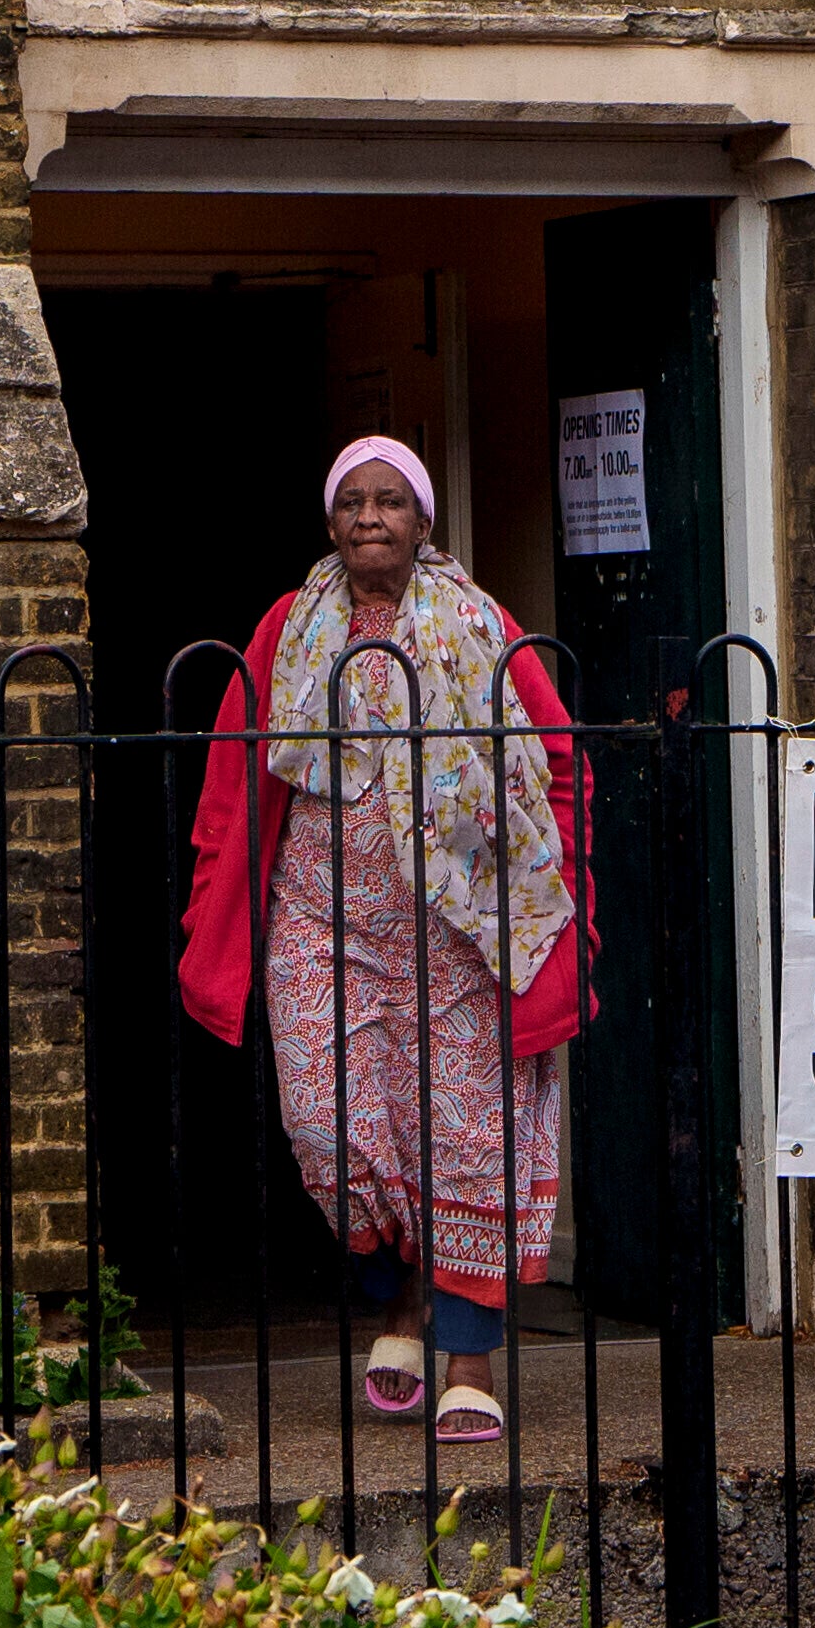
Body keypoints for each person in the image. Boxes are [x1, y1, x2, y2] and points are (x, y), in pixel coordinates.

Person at [175, 434, 595, 1448]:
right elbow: (233, 775)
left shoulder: (480, 624)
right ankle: (398, 1294)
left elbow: (556, 759)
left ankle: (465, 1358)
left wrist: (559, 897)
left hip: (463, 931)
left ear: (421, 522)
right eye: (353, 502)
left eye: (390, 501)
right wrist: (212, 898)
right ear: (330, 523)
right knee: (331, 1126)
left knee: (465, 1138)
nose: (370, 517)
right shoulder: (287, 627)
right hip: (322, 923)